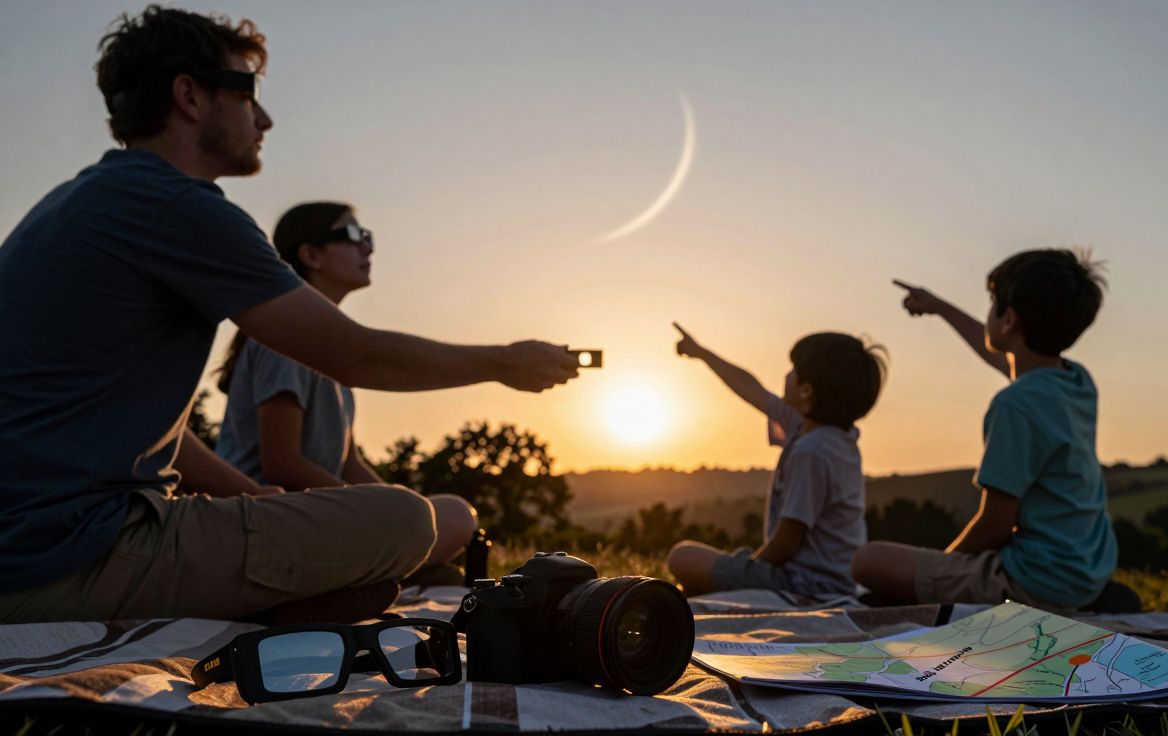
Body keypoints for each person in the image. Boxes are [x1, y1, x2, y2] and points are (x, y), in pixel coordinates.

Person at [0, 6, 577, 624]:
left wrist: (252, 497)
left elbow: (159, 434)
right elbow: (357, 354)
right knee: (409, 518)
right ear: (189, 96)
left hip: (34, 544)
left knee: (401, 513)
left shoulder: (81, 200)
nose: (265, 117)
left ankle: (297, 592)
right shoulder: (174, 206)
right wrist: (505, 362)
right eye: (249, 93)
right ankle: (290, 599)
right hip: (67, 557)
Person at [213, 202, 477, 568]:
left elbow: (348, 463)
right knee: (454, 514)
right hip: (265, 519)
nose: (367, 247)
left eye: (367, 236)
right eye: (353, 236)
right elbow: (282, 464)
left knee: (433, 514)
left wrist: (400, 507)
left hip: (310, 514)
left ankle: (386, 570)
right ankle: (378, 572)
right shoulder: (287, 337)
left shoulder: (329, 347)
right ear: (311, 255)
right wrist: (381, 513)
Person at [851, 250, 1117, 611]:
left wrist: (942, 568)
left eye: (992, 302)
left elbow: (994, 524)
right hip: (1086, 572)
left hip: (1033, 580)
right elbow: (1004, 355)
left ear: (1008, 320)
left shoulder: (1015, 405)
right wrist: (940, 307)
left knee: (867, 561)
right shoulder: (1075, 381)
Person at [665, 324, 885, 598]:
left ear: (806, 391)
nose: (786, 375)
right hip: (823, 579)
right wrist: (702, 353)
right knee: (691, 587)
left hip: (806, 586)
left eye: (793, 370)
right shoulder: (821, 431)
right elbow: (751, 388)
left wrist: (746, 573)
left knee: (682, 557)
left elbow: (787, 539)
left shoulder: (813, 451)